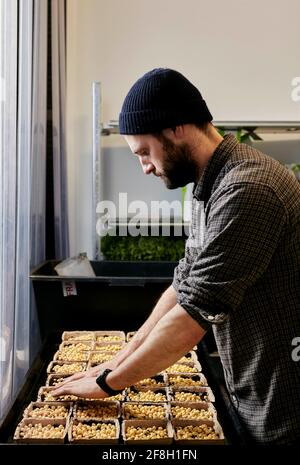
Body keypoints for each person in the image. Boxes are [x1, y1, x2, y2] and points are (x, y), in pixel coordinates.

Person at [52, 68, 300, 445]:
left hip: (286, 403)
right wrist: (119, 358)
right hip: (251, 390)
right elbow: (183, 285)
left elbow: (195, 313)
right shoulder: (211, 184)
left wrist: (108, 384)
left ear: (176, 128)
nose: (145, 166)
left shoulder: (248, 188)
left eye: (145, 152)